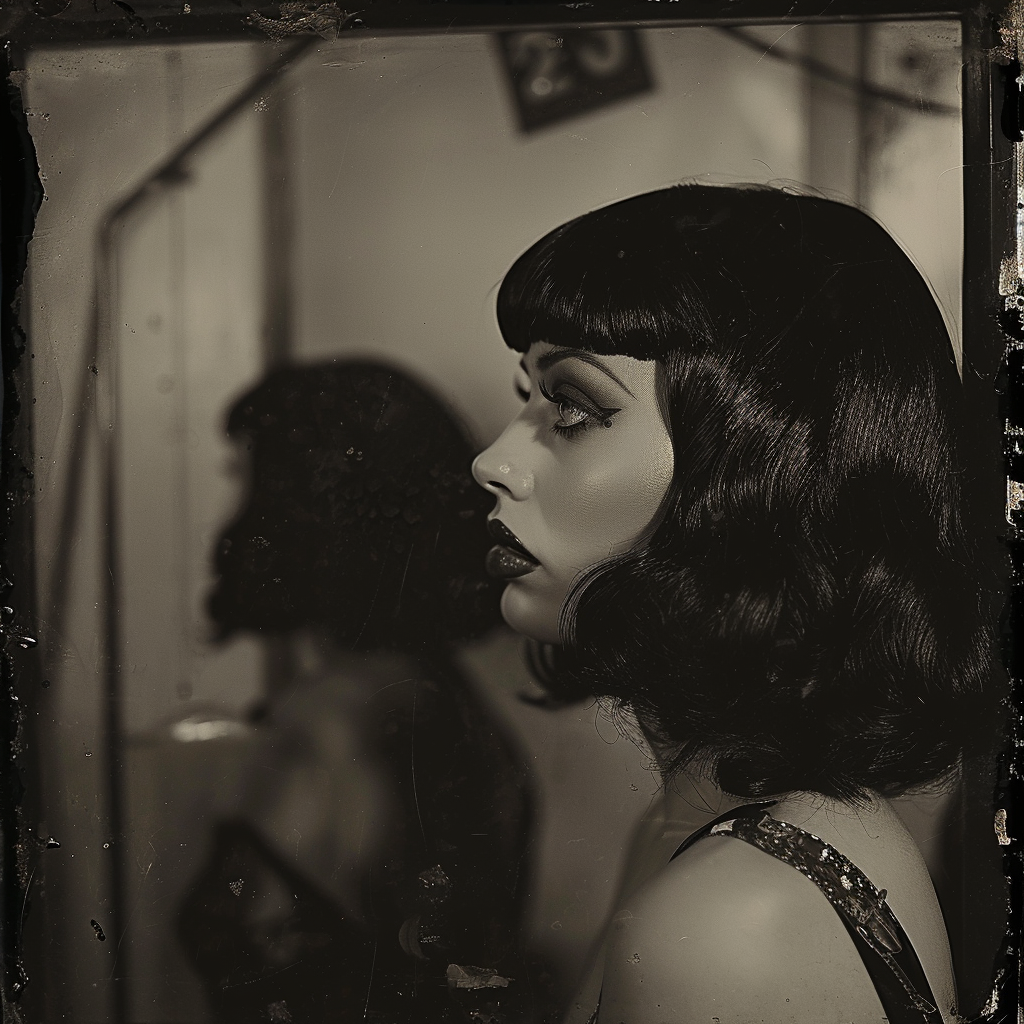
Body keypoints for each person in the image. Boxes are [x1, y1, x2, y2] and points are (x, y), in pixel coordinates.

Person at [470, 184, 999, 1024]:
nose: (493, 462)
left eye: (570, 406)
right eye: (523, 400)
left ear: (753, 466)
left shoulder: (736, 914)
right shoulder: (712, 829)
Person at [177, 360, 538, 1024]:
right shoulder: (442, 701)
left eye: (247, 477)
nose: (234, 512)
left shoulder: (325, 721)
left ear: (301, 506)